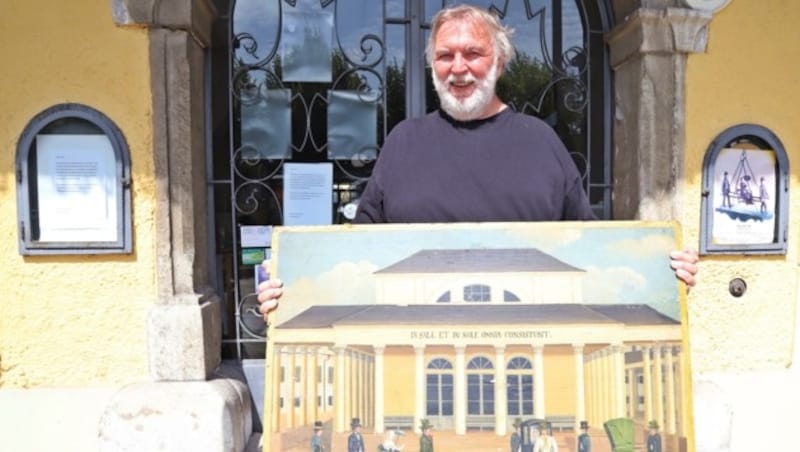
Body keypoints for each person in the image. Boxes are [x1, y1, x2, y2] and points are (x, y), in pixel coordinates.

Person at [256, 4, 698, 317]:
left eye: (473, 53)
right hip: (416, 356)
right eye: (445, 55)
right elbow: (357, 250)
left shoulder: (542, 143)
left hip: (528, 355)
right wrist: (290, 286)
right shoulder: (403, 143)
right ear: (432, 65)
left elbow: (592, 250)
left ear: (499, 63)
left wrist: (661, 268)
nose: (458, 67)